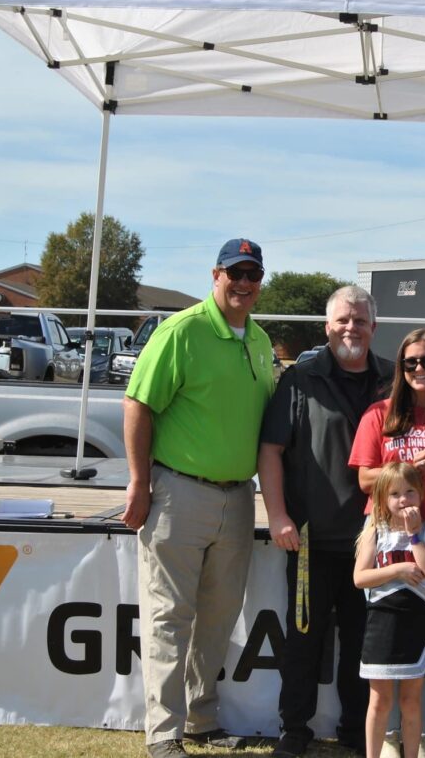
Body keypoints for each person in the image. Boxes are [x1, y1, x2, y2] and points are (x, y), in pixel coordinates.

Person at [122, 238, 275, 758]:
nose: (244, 283)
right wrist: (138, 482)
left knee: (219, 617)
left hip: (238, 497)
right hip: (178, 493)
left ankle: (201, 719)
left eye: (253, 274)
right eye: (235, 273)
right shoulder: (180, 331)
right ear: (216, 276)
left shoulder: (260, 340)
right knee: (169, 616)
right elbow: (137, 404)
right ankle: (164, 734)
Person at [258, 285, 394, 758]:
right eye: (343, 320)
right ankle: (295, 730)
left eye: (360, 320)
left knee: (362, 644)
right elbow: (271, 450)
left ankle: (357, 732)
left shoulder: (394, 380)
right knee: (303, 641)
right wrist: (277, 514)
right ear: (327, 327)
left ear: (374, 327)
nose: (351, 328)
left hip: (374, 542)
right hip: (310, 541)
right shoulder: (300, 379)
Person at [349, 328, 425, 758]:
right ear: (400, 367)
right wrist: (407, 467)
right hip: (384, 532)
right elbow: (365, 479)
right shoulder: (379, 414)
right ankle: (387, 736)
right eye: (410, 361)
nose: (419, 368)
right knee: (385, 628)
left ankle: (420, 735)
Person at [355, 462, 425, 758]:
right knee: (379, 701)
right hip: (381, 623)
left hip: (415, 623)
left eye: (409, 492)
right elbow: (359, 578)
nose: (403, 499)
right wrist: (398, 570)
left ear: (421, 494)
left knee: (410, 701)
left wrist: (414, 536)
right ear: (382, 499)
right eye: (394, 494)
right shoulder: (374, 531)